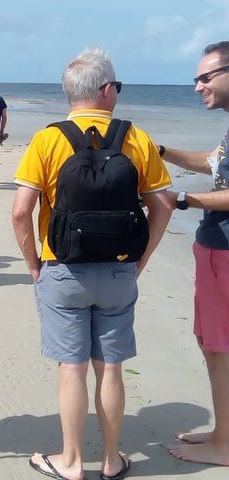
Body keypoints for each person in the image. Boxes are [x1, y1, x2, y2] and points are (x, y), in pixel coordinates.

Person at [11, 47, 173, 480]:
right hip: (119, 270)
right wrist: (143, 256)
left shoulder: (48, 138)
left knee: (72, 370)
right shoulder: (135, 137)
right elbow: (163, 204)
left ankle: (71, 462)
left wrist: (34, 264)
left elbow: (19, 211)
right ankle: (111, 459)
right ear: (106, 90)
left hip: (62, 268)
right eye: (116, 85)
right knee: (111, 368)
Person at [161, 41, 229, 467]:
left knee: (221, 346)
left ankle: (226, 447)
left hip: (226, 250)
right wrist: (161, 153)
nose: (197, 86)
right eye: (195, 78)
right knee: (211, 344)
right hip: (212, 246)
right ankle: (224, 431)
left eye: (206, 77)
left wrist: (183, 199)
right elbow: (215, 162)